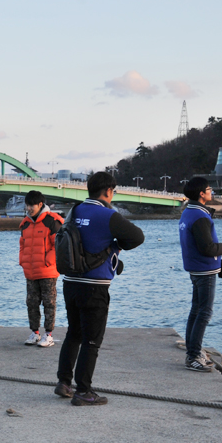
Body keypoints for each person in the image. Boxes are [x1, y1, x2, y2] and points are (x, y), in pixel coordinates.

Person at [55, 169, 145, 406]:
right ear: (108, 191)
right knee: (92, 341)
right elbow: (138, 237)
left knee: (73, 334)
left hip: (70, 283)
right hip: (95, 285)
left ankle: (64, 382)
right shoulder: (108, 216)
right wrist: (115, 244)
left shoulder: (74, 211)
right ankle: (84, 391)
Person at [179, 175, 222, 369]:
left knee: (196, 310)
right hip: (204, 269)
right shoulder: (200, 216)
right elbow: (207, 248)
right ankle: (193, 356)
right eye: (209, 189)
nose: (212, 192)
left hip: (195, 267)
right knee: (204, 312)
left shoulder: (188, 212)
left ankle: (192, 351)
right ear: (201, 194)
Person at [17, 190, 64, 346]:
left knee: (49, 302)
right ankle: (35, 333)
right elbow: (22, 245)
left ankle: (48, 335)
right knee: (31, 302)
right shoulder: (25, 224)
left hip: (48, 271)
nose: (29, 208)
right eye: (27, 205)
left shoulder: (52, 221)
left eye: (32, 205)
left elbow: (58, 244)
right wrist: (22, 261)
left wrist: (46, 261)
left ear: (40, 204)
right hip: (30, 271)